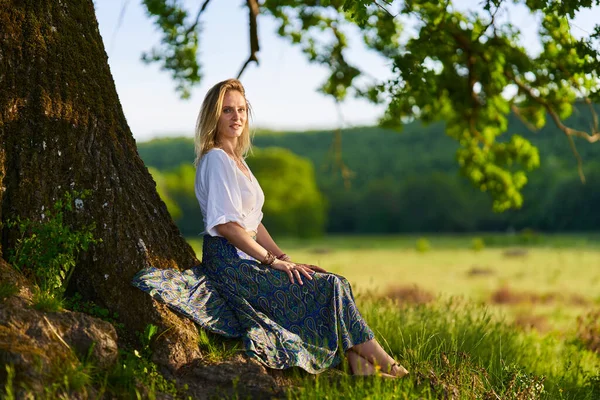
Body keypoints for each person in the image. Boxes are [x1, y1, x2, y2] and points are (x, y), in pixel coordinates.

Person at [132, 78, 408, 378]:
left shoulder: (239, 161)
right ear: (213, 115)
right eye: (227, 110)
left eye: (241, 109)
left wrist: (286, 259)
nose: (236, 117)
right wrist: (271, 261)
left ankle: (362, 367)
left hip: (250, 254)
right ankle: (393, 368)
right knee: (330, 288)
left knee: (329, 280)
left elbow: (254, 222)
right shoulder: (216, 160)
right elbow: (226, 226)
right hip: (231, 262)